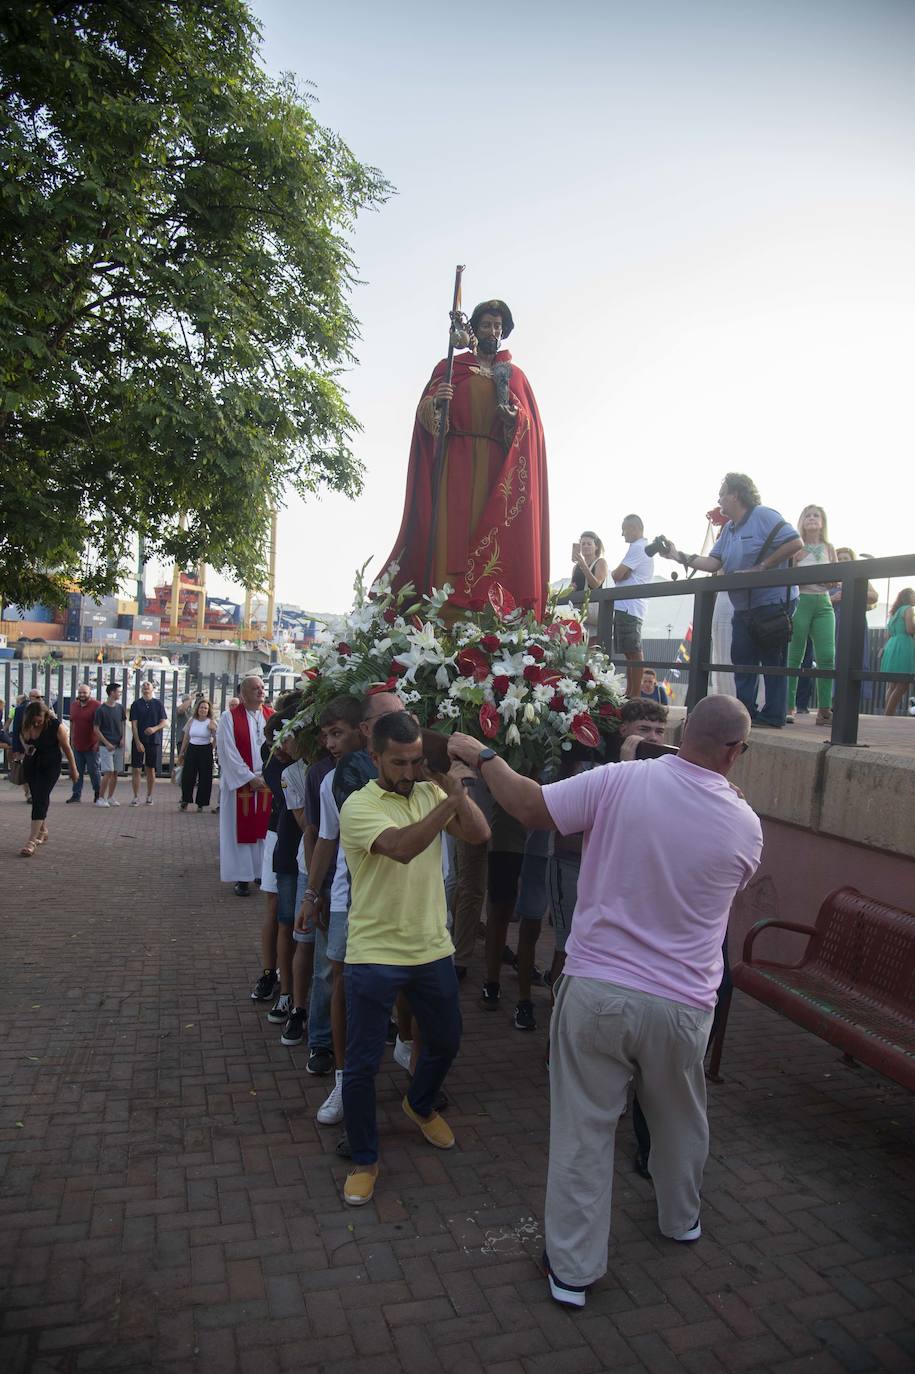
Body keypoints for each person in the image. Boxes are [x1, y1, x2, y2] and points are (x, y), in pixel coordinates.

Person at [447, 695, 762, 1308]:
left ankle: (573, 1271)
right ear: (735, 752)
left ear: (677, 732)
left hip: (598, 990)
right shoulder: (745, 824)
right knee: (679, 1120)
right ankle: (681, 1219)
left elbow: (530, 805)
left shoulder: (620, 780)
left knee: (584, 1131)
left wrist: (482, 753)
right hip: (683, 1003)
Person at [337, 710, 490, 1207]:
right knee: (362, 1064)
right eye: (398, 762)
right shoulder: (358, 805)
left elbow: (481, 835)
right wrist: (452, 802)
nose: (409, 771)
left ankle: (419, 1104)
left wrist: (450, 790)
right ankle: (365, 1157)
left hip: (430, 947)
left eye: (417, 761)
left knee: (446, 1041)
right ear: (374, 757)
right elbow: (401, 848)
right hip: (374, 950)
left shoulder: (431, 792)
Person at [380, 299, 550, 617]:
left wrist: (515, 416)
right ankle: (444, 616)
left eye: (498, 326)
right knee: (450, 536)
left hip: (497, 471)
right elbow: (427, 416)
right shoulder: (450, 368)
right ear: (475, 329)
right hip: (455, 466)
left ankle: (487, 617)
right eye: (486, 325)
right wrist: (437, 403)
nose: (492, 331)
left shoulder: (514, 376)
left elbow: (532, 427)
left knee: (491, 541)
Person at [546, 699, 669, 991]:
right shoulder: (592, 762)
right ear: (624, 729)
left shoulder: (664, 771)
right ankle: (557, 1027)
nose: (652, 737)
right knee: (566, 953)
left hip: (625, 878)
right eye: (644, 729)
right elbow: (570, 828)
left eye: (659, 731)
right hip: (575, 866)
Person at [667, 474, 803, 728]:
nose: (719, 499)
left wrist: (761, 567)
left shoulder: (763, 516)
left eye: (722, 494)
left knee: (773, 660)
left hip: (772, 602)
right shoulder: (729, 529)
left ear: (736, 495)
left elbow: (795, 542)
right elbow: (713, 563)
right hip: (744, 606)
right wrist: (677, 555)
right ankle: (747, 713)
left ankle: (773, 715)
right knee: (742, 659)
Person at [215, 675, 274, 894]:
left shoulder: (272, 716)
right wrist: (249, 778)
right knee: (241, 832)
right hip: (242, 783)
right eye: (255, 688)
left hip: (267, 782)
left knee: (264, 831)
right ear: (243, 693)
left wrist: (269, 775)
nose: (260, 691)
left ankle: (261, 873)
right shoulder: (228, 718)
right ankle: (242, 877)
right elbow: (227, 752)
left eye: (262, 687)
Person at [785, 505, 837, 726]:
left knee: (827, 656)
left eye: (816, 515)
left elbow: (835, 580)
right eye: (808, 515)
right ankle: (788, 706)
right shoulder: (796, 547)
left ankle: (824, 709)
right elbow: (790, 578)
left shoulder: (829, 547)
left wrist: (814, 578)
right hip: (802, 601)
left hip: (824, 604)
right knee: (794, 655)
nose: (812, 518)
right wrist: (815, 577)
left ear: (823, 522)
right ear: (801, 521)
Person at [18, 700, 78, 856]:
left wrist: (73, 769)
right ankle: (43, 831)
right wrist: (26, 747)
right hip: (31, 764)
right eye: (34, 719)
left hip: (50, 766)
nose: (37, 722)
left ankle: (31, 840)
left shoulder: (55, 726)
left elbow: (67, 748)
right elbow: (21, 738)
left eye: (40, 718)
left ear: (46, 715)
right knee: (36, 796)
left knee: (40, 798)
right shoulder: (26, 724)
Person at [608, 515, 655, 698]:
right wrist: (621, 573)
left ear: (635, 528)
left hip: (630, 606)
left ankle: (634, 694)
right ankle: (630, 692)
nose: (622, 533)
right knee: (629, 653)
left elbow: (618, 575)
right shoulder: (640, 547)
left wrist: (619, 573)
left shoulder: (638, 547)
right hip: (628, 606)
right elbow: (621, 575)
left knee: (634, 653)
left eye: (624, 529)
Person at [129, 681, 167, 804]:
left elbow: (164, 722)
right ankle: (135, 796)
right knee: (136, 769)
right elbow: (133, 725)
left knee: (150, 769)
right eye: (143, 686)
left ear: (152, 689)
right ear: (141, 689)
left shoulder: (158, 704)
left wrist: (154, 729)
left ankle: (149, 796)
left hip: (153, 740)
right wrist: (138, 742)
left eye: (148, 686)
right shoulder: (136, 704)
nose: (145, 688)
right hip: (138, 740)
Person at [177, 697, 217, 811]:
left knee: (205, 777)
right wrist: (181, 753)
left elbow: (216, 738)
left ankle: (201, 803)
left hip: (205, 749)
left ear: (208, 710)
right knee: (188, 776)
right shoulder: (192, 720)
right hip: (192, 749)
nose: (203, 710)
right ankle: (185, 800)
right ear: (197, 709)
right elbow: (186, 737)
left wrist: (211, 748)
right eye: (201, 707)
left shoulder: (211, 722)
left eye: (205, 708)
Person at [880, 589, 915, 718]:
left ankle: (888, 714)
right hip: (904, 645)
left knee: (893, 684)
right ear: (908, 597)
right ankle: (888, 715)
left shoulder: (894, 612)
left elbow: (887, 634)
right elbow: (910, 629)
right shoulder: (908, 609)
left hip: (892, 645)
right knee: (903, 684)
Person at [66, 682, 102, 805]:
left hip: (92, 745)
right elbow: (72, 723)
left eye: (84, 692)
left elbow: (100, 725)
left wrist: (98, 742)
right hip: (77, 745)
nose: (82, 695)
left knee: (94, 771)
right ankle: (76, 795)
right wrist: (71, 739)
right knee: (77, 771)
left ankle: (98, 794)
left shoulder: (97, 705)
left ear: (89, 693)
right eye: (80, 692)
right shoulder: (74, 705)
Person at [94, 682, 127, 805]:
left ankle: (111, 797)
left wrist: (123, 738)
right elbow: (96, 729)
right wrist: (106, 743)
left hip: (118, 744)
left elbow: (123, 723)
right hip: (106, 746)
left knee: (115, 772)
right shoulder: (101, 710)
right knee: (108, 771)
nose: (119, 693)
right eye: (118, 691)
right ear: (112, 692)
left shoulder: (120, 707)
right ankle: (101, 798)